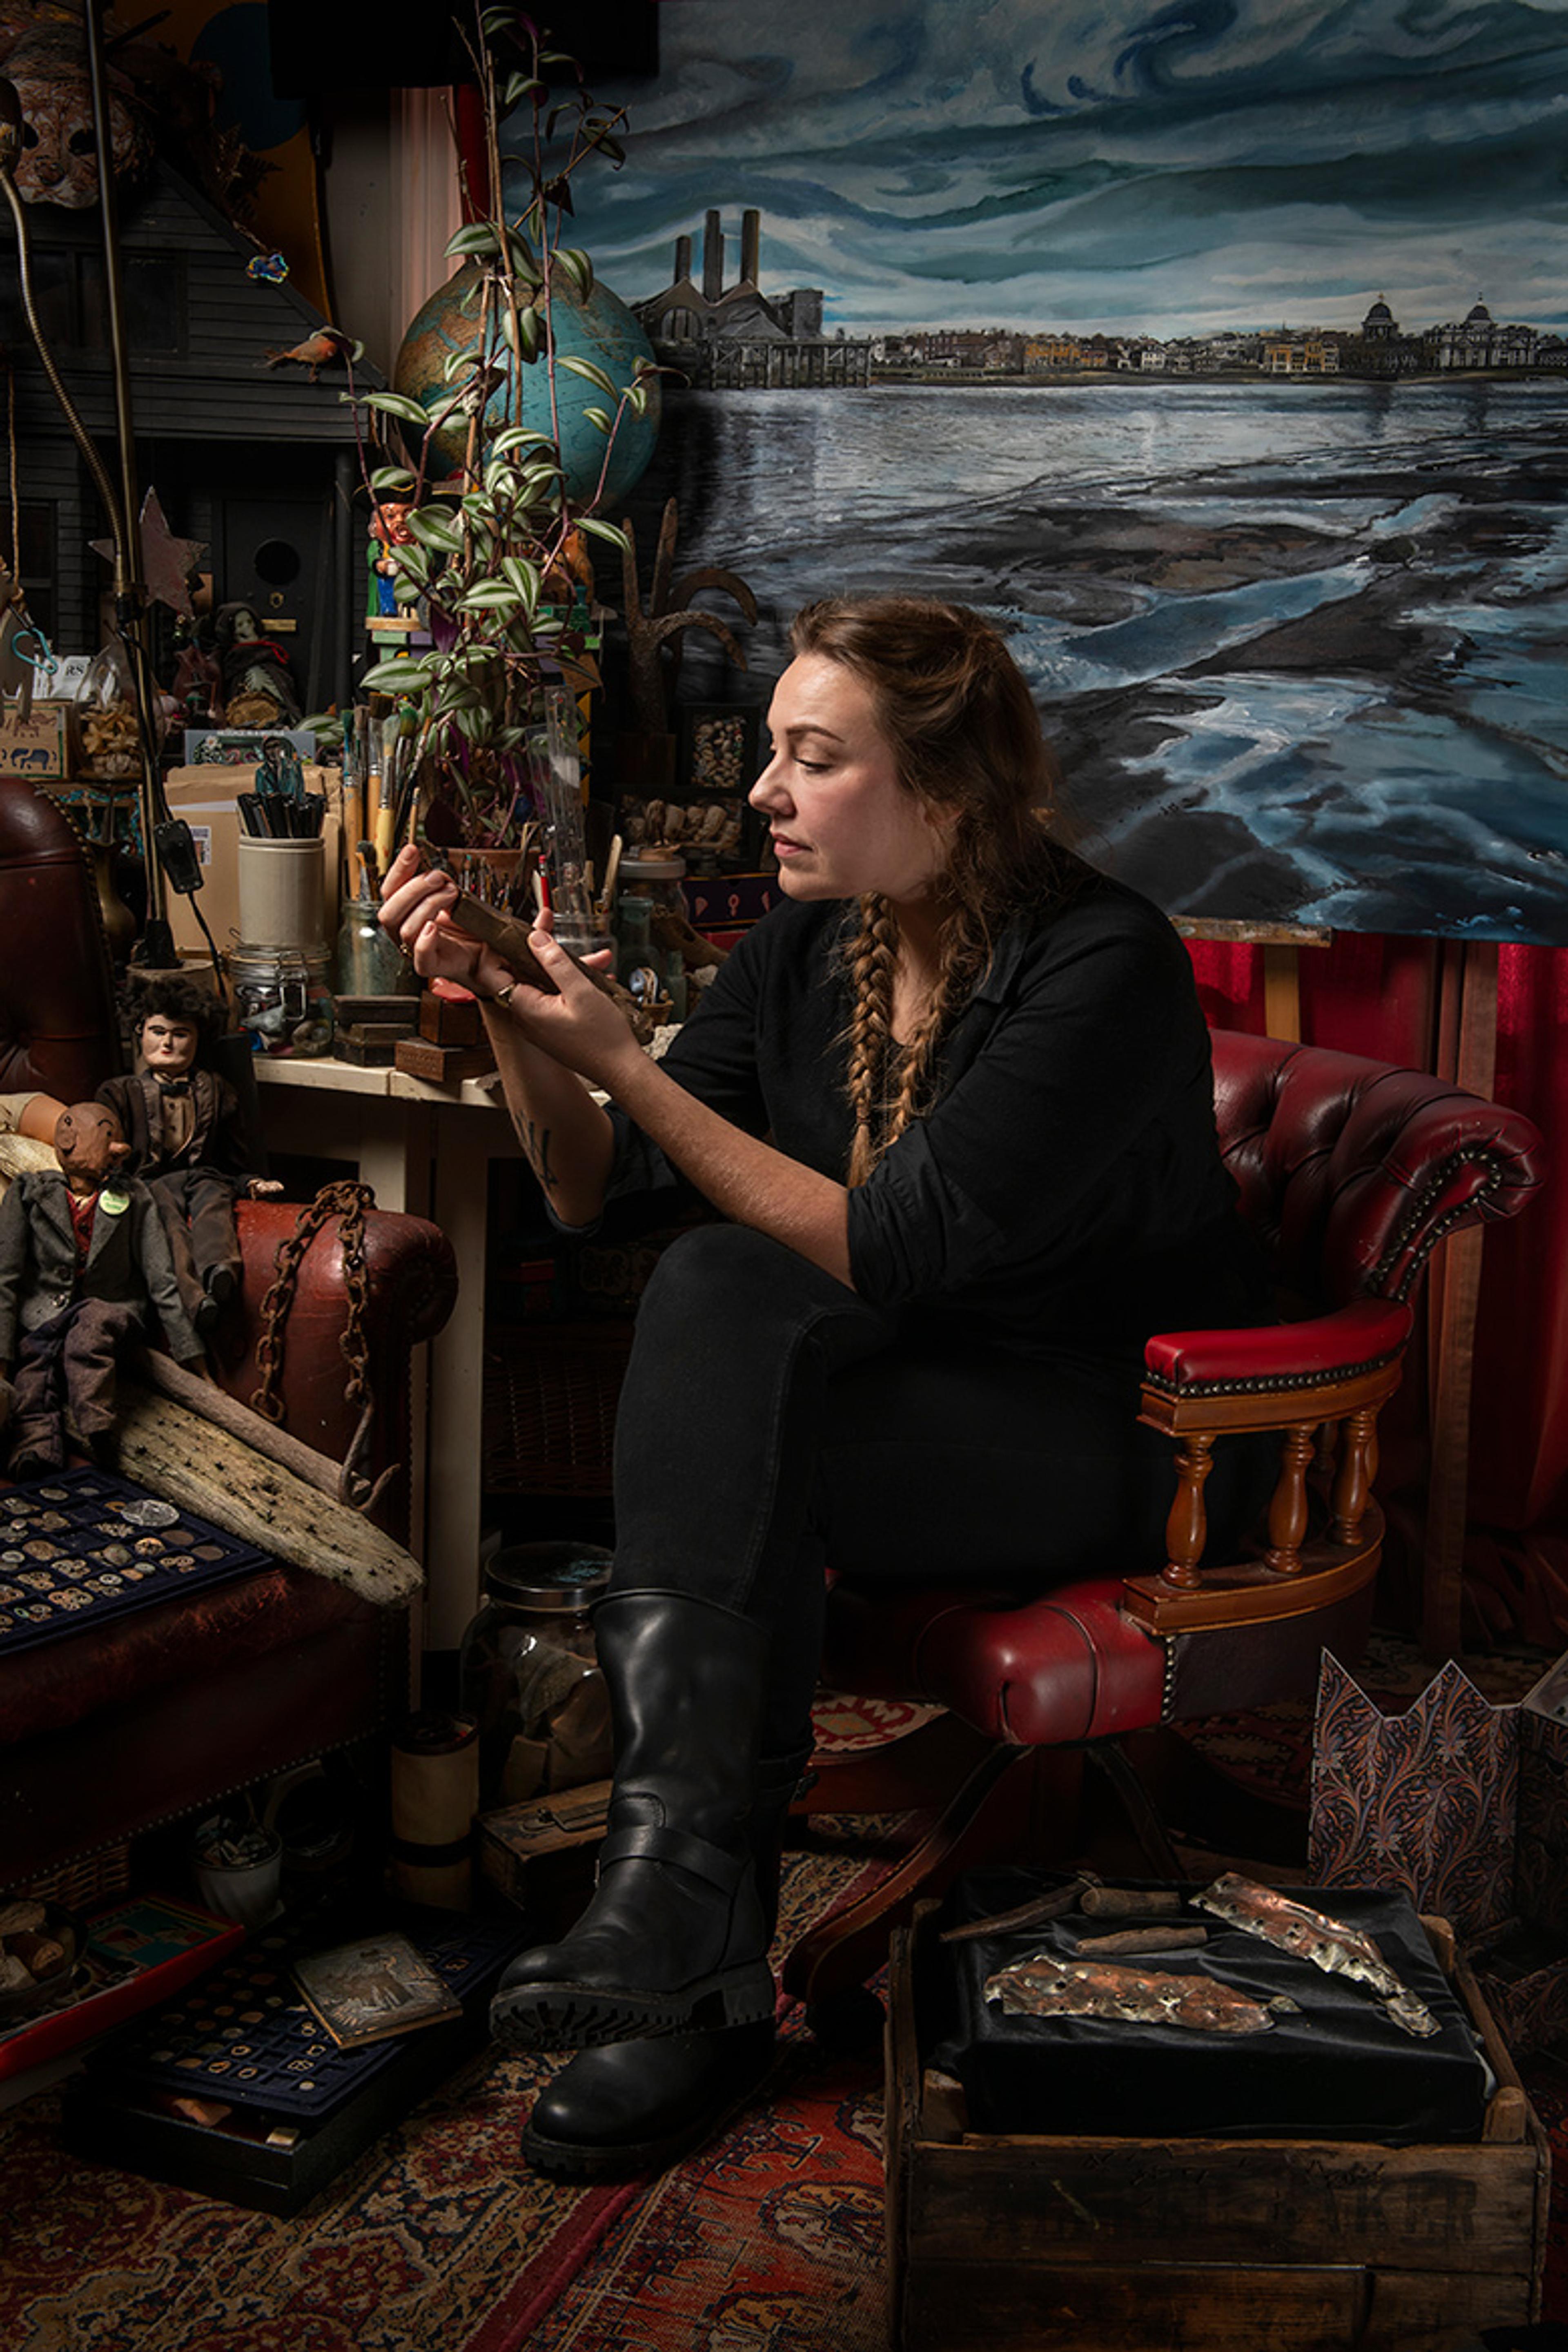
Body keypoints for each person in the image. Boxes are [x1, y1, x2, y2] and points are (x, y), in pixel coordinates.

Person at [379, 594, 1275, 2182]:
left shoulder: (1103, 960)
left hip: (1112, 1437)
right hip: (914, 1410)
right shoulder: (806, 953)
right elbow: (595, 1196)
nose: (761, 794)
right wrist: (517, 1014)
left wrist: (629, 1063)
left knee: (736, 1325)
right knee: (714, 1297)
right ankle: (691, 1938)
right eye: (774, 755)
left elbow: (892, 1253)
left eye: (811, 758)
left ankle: (681, 1941)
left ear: (944, 790)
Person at [0, 1099, 206, 1476]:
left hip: (109, 1307)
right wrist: (2, 1358)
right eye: (107, 1135)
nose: (119, 1149)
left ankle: (97, 1425)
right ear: (68, 1139)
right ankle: (36, 1447)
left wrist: (190, 1353)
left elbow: (161, 1277)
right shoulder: (30, 1193)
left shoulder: (135, 1197)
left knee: (90, 1334)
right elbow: (6, 1275)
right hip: (45, 1316)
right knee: (34, 1367)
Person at [97, 974, 283, 1335]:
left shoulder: (216, 1091)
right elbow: (104, 1149)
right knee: (166, 1220)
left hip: (203, 1175)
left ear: (198, 1041)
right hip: (150, 1181)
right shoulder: (120, 1093)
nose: (167, 1043)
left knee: (216, 1204)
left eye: (180, 1035)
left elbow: (234, 1157)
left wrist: (251, 1182)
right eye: (157, 1032)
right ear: (140, 1032)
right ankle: (196, 1299)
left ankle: (220, 1272)